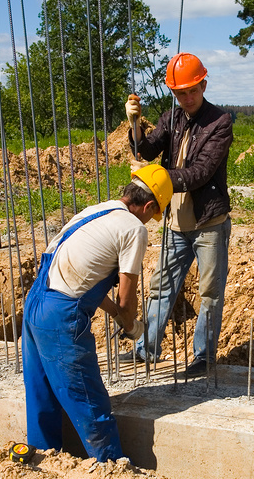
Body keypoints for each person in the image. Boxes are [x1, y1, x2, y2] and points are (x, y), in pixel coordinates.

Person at [22, 164, 172, 462]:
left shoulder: (97, 211)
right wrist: (131, 325)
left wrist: (116, 314)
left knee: (42, 394)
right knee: (89, 401)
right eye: (152, 215)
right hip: (61, 315)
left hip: (37, 302)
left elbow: (85, 278)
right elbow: (127, 296)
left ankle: (43, 459)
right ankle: (111, 469)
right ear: (149, 205)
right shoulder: (133, 228)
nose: (149, 221)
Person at [122, 52, 234, 378]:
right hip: (175, 222)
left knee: (210, 292)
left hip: (208, 223)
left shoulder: (219, 122)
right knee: (162, 288)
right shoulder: (171, 117)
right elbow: (145, 150)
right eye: (180, 93)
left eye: (192, 91)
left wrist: (155, 178)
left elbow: (200, 172)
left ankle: (203, 357)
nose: (187, 98)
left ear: (203, 84)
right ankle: (146, 350)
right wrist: (135, 127)